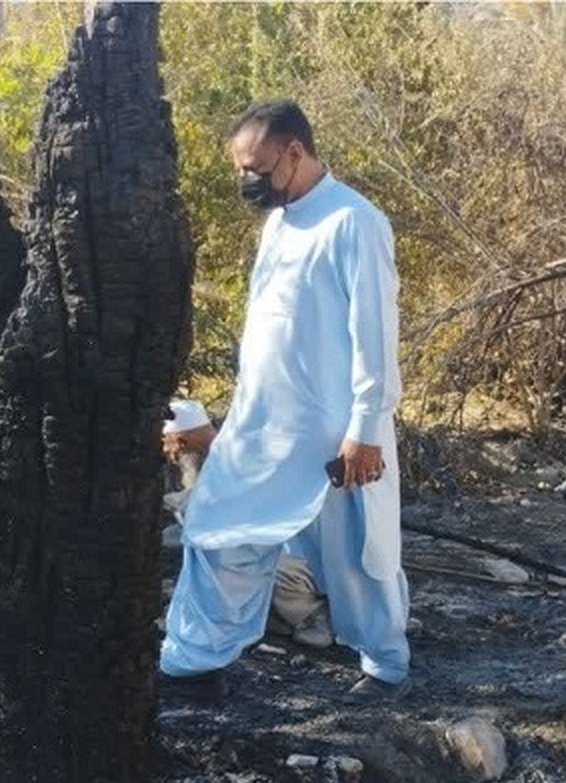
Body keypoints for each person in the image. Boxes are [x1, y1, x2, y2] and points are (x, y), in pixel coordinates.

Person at [159, 99, 409, 703]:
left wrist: (366, 428)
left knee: (355, 555)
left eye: (256, 167)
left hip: (336, 430)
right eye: (240, 169)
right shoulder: (279, 222)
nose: (248, 180)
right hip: (264, 426)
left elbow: (374, 332)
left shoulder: (353, 221)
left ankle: (385, 667)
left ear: (294, 152)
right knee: (219, 530)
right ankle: (194, 662)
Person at [160, 398, 336, 649]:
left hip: (297, 556)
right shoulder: (209, 459)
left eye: (170, 447)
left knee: (262, 572)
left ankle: (313, 615)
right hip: (254, 551)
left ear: (182, 441)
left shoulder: (239, 459)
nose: (170, 455)